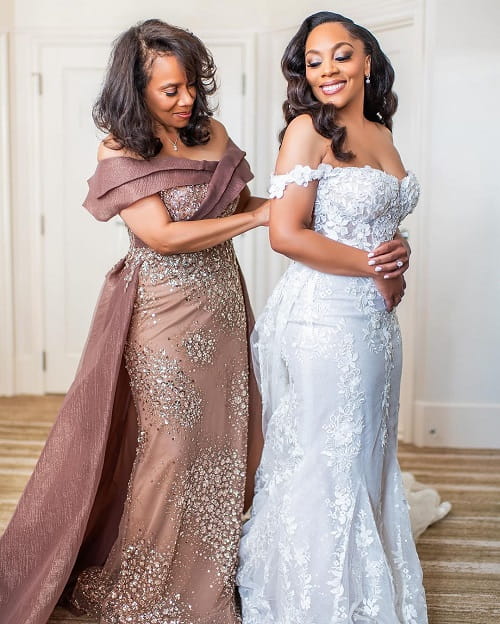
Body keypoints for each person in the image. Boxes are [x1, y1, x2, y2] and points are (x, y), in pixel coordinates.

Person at [0, 19, 267, 624]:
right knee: (169, 450)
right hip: (163, 314)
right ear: (135, 89)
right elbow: (163, 235)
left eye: (191, 85)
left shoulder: (213, 133)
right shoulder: (118, 149)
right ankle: (150, 589)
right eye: (169, 90)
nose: (187, 100)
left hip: (223, 308)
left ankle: (210, 578)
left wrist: (286, 207)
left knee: (223, 448)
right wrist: (257, 221)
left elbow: (240, 202)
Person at [237, 11, 429, 623]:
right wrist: (373, 268)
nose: (327, 71)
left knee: (367, 452)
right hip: (323, 319)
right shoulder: (305, 131)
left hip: (375, 322)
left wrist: (397, 254)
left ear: (367, 61)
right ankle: (315, 602)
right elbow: (287, 235)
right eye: (314, 61)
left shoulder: (379, 132)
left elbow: (375, 225)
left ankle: (363, 591)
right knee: (328, 456)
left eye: (341, 55)